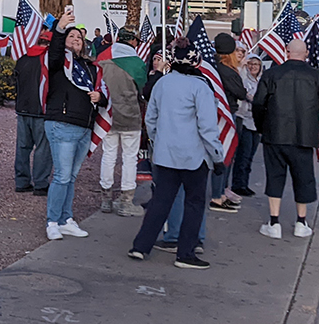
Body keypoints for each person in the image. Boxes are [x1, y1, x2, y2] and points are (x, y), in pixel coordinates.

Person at [127, 37, 224, 269]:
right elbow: (207, 127)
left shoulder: (162, 83)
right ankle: (186, 252)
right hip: (194, 156)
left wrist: (158, 141)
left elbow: (151, 119)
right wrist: (218, 156)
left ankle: (140, 246)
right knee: (194, 203)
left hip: (165, 154)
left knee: (161, 201)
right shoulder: (201, 86)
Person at [251, 38, 319, 239]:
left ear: (286, 52)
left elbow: (258, 103)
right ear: (305, 53)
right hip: (304, 135)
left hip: (275, 133)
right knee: (303, 177)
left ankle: (274, 222)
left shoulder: (271, 74)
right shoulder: (316, 76)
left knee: (275, 176)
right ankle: (301, 221)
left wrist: (262, 127)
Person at [42, 7, 107, 241]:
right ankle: (52, 221)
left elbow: (102, 93)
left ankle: (66, 218)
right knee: (62, 175)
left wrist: (101, 98)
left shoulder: (91, 68)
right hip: (62, 123)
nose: (75, 39)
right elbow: (55, 50)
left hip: (84, 127)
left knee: (71, 176)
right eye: (71, 36)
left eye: (78, 37)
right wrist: (61, 27)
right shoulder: (59, 63)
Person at [98, 30, 144, 217]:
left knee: (108, 155)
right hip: (130, 114)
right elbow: (143, 89)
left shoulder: (103, 59)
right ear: (132, 41)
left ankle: (106, 199)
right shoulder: (137, 63)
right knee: (129, 158)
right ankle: (126, 200)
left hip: (108, 114)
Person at [208, 33, 247, 213]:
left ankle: (221, 192)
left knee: (224, 154)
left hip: (216, 114)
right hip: (227, 113)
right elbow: (240, 92)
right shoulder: (228, 71)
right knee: (224, 155)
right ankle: (218, 195)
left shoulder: (213, 68)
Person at [11, 37, 52, 195]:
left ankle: (22, 181)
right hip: (40, 110)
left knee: (23, 147)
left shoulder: (23, 59)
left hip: (23, 108)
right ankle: (40, 183)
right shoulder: (47, 60)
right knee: (42, 148)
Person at [230, 54, 264, 197]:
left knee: (250, 155)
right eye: (250, 64)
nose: (253, 67)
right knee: (243, 155)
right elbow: (246, 95)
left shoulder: (262, 81)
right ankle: (238, 184)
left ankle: (245, 183)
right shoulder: (244, 79)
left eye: (256, 64)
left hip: (257, 122)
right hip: (244, 120)